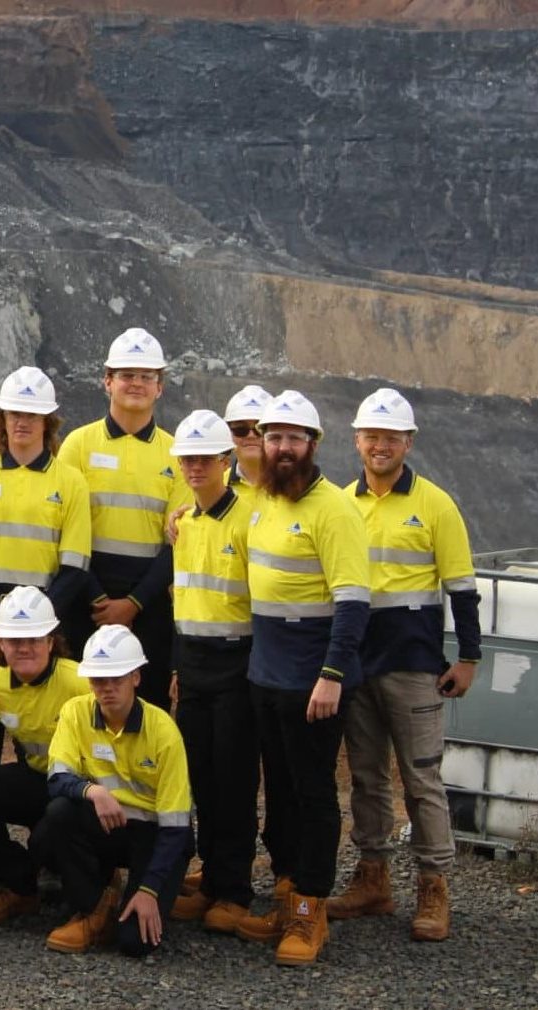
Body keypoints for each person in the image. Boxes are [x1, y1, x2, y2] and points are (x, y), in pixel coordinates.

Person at [330, 388, 480, 942]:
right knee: (367, 777)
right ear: (357, 440)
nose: (380, 446)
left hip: (413, 661)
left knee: (421, 778)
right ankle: (373, 878)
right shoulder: (342, 502)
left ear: (408, 442)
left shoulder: (436, 504)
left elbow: (463, 590)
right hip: (358, 659)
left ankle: (433, 885)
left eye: (391, 437)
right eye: (371, 436)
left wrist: (468, 657)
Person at [231, 390, 369, 966]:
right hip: (266, 674)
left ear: (313, 445)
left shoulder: (332, 508)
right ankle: (288, 893)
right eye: (273, 437)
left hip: (313, 678)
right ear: (260, 443)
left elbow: (354, 599)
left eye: (293, 438)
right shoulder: (263, 501)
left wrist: (332, 674)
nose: (282, 448)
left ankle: (311, 908)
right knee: (281, 791)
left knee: (314, 793)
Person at [0, 366, 91, 770]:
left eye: (32, 415)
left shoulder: (71, 482)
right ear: (2, 419)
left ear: (47, 422)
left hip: (49, 612)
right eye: (14, 413)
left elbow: (76, 564)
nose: (22, 422)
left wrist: (38, 624)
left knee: (54, 723)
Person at [35, 625, 192, 957]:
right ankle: (93, 908)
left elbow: (176, 826)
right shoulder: (76, 711)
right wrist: (94, 791)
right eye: (97, 680)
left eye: (115, 679)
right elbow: (57, 779)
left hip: (153, 835)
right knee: (58, 816)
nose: (106, 689)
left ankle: (143, 893)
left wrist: (150, 889)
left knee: (135, 944)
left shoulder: (163, 731)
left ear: (135, 677)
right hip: (107, 823)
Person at [56, 328, 189, 709]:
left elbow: (176, 542)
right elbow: (68, 530)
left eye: (147, 377)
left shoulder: (176, 453)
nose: (137, 384)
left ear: (160, 387)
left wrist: (132, 604)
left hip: (149, 603)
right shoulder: (78, 445)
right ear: (107, 381)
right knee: (81, 706)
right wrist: (100, 600)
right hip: (85, 598)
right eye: (127, 375)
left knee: (147, 708)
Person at [163, 411, 258, 933]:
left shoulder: (248, 520)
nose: (196, 466)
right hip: (194, 664)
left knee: (234, 780)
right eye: (189, 459)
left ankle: (234, 889)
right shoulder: (187, 525)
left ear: (226, 461)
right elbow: (184, 603)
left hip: (236, 662)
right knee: (197, 775)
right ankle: (210, 876)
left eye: (206, 458)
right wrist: (179, 667)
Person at [0, 587, 89, 926]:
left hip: (80, 789)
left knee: (51, 829)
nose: (25, 647)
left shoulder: (81, 683)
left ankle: (90, 881)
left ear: (51, 641)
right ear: (0, 643)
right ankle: (20, 888)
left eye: (34, 638)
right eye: (15, 640)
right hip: (37, 777)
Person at [223, 385, 271, 488]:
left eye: (260, 429)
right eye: (240, 429)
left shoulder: (300, 488)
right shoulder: (215, 489)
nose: (251, 435)